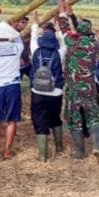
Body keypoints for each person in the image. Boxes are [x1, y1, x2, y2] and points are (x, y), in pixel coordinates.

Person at [57, 0, 99, 164]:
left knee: (74, 119)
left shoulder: (71, 41)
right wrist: (73, 17)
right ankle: (97, 147)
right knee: (94, 116)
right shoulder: (95, 44)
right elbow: (72, 26)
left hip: (73, 89)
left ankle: (79, 151)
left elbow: (62, 22)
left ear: (77, 32)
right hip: (89, 87)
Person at [29, 12, 66, 161]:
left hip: (37, 91)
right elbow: (64, 44)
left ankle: (43, 156)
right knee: (55, 118)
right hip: (55, 91)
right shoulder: (59, 52)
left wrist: (35, 24)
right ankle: (59, 148)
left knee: (40, 120)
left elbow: (33, 38)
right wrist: (59, 31)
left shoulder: (35, 51)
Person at [0, 21, 24, 159]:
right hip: (13, 85)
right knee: (12, 119)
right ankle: (7, 151)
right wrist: (14, 29)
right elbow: (19, 38)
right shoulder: (17, 47)